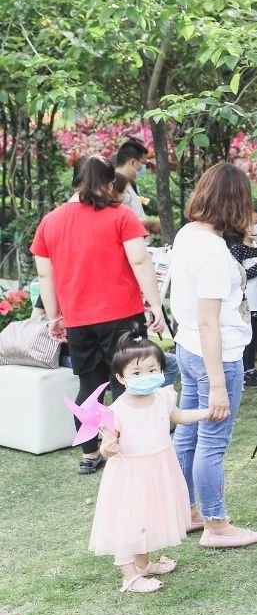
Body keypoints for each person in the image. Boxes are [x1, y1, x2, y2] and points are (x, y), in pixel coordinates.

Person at [30, 154, 166, 474]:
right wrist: (156, 305)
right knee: (128, 383)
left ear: (74, 181)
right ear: (109, 182)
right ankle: (129, 448)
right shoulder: (121, 215)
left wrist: (55, 317)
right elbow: (140, 262)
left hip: (79, 319)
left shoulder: (50, 222)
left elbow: (46, 276)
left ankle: (90, 454)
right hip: (123, 315)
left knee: (89, 387)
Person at [169, 163, 257, 548]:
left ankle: (186, 511)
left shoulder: (188, 234)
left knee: (189, 433)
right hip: (214, 354)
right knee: (212, 441)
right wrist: (218, 385)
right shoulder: (212, 251)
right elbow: (210, 321)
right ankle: (215, 524)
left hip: (189, 346)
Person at [90, 334, 211, 593]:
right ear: (121, 377)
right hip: (130, 473)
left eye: (152, 370)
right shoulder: (116, 411)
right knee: (128, 521)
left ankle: (143, 564)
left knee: (145, 517)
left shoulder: (162, 396)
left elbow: (178, 416)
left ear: (161, 370)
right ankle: (129, 576)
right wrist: (107, 448)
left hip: (159, 466)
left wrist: (207, 413)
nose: (145, 376)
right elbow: (108, 444)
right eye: (136, 372)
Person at [225, 208, 257, 387]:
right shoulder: (237, 249)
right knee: (247, 337)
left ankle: (251, 368)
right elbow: (238, 275)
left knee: (256, 335)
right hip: (247, 300)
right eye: (253, 223)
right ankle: (244, 371)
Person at [114, 137, 150, 221]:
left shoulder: (131, 185)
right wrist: (151, 224)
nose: (143, 168)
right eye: (143, 163)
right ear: (133, 162)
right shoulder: (113, 185)